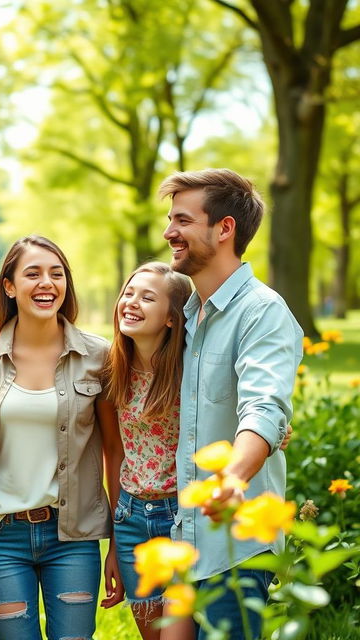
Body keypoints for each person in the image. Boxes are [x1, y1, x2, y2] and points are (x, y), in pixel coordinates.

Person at [159, 169, 303, 639]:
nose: (169, 233)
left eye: (182, 220)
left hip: (236, 545)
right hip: (188, 537)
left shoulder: (262, 312)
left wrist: (231, 478)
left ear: (224, 229)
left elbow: (263, 408)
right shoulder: (192, 314)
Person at [0, 235, 125, 640]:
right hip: (0, 538)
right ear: (9, 286)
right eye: (32, 273)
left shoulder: (98, 356)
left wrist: (119, 547)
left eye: (57, 274)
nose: (46, 283)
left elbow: (114, 451)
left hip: (71, 537)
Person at [104, 262, 195, 640]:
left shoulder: (191, 370)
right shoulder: (113, 370)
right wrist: (113, 542)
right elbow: (113, 451)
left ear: (172, 318)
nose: (131, 302)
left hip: (181, 518)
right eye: (129, 293)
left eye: (147, 297)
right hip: (131, 519)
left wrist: (277, 430)